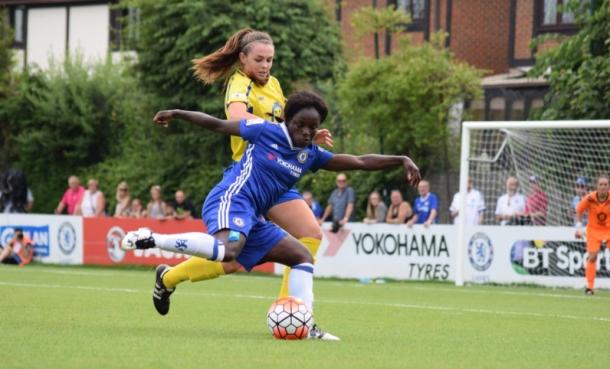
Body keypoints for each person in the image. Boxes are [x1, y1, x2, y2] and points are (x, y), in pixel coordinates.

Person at [122, 91, 420, 340]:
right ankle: (153, 238)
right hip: (233, 198)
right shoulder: (264, 130)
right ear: (287, 120)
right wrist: (176, 112)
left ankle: (305, 324)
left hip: (255, 215)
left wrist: (401, 159)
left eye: (311, 128)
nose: (305, 132)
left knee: (301, 256)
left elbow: (359, 161)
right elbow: (217, 124)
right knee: (228, 251)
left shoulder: (310, 154)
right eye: (299, 125)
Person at [179, 28, 334, 300]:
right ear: (243, 59)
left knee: (310, 234)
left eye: (270, 60)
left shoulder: (273, 84)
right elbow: (239, 117)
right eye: (259, 60)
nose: (265, 66)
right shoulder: (239, 84)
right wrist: (272, 132)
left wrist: (308, 132)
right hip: (253, 175)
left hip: (279, 174)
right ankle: (169, 276)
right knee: (231, 261)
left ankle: (290, 308)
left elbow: (288, 124)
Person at [575, 174, 610, 295]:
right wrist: (578, 228)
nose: (603, 187)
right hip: (594, 230)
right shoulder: (590, 198)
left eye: (605, 184)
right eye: (601, 184)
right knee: (593, 256)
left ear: (608, 186)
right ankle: (590, 287)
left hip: (609, 229)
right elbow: (579, 210)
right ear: (597, 186)